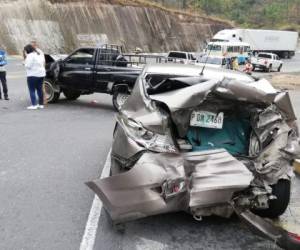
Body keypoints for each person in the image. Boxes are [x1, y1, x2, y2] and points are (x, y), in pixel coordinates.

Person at [24, 44, 46, 110]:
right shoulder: (38, 54)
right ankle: (41, 104)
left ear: (27, 50)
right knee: (40, 89)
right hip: (41, 74)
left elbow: (28, 66)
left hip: (33, 74)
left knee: (32, 90)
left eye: (25, 50)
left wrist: (24, 63)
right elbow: (43, 62)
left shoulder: (30, 56)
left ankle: (34, 105)